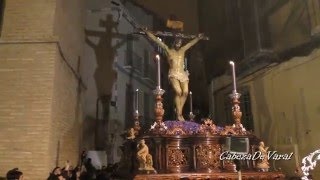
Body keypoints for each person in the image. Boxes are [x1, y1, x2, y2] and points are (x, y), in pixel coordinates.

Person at [142, 28, 204, 121]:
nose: (179, 45)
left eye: (180, 43)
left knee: (185, 92)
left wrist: (198, 38)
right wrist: (147, 32)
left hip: (182, 73)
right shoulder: (168, 50)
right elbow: (156, 41)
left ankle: (179, 111)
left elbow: (190, 44)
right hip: (173, 73)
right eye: (177, 43)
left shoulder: (183, 50)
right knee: (178, 92)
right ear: (174, 43)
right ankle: (179, 114)